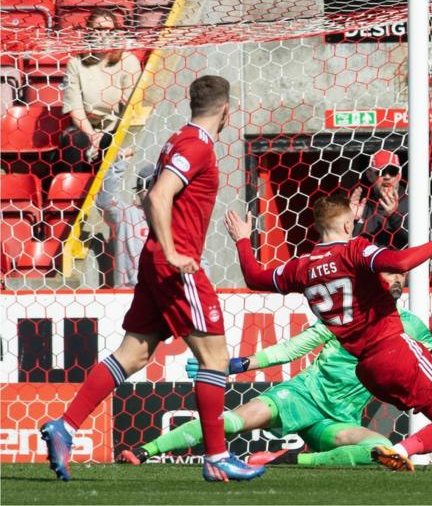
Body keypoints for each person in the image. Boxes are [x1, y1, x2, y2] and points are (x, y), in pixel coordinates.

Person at [225, 194, 432, 472]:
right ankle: (401, 450)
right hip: (396, 349)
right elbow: (401, 262)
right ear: (348, 224)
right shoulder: (355, 249)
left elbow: (255, 277)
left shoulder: (299, 267)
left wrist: (243, 239)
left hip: (369, 370)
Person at [40, 76, 266, 483]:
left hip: (157, 262)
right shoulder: (196, 144)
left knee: (136, 354)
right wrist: (174, 250)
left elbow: (148, 197)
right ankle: (216, 457)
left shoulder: (178, 138)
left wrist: (161, 249)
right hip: (175, 265)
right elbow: (159, 195)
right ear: (227, 110)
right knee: (214, 358)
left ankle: (66, 426)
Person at [60, 8, 142, 173]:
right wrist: (92, 135)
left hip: (116, 127)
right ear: (89, 32)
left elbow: (128, 109)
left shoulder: (129, 62)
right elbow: (74, 107)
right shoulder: (76, 63)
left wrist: (103, 135)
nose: (104, 35)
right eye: (99, 30)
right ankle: (73, 194)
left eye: (110, 30)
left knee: (112, 143)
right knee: (73, 141)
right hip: (86, 127)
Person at [96, 148, 153, 288]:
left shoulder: (178, 219)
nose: (149, 191)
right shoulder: (127, 214)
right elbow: (104, 202)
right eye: (146, 186)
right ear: (139, 191)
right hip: (129, 295)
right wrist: (119, 165)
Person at [350, 149, 408, 249]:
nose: (387, 176)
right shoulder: (362, 205)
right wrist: (350, 220)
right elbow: (343, 247)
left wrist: (395, 216)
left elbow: (424, 242)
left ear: (399, 175)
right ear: (369, 175)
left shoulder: (414, 202)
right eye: (381, 172)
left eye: (392, 171)